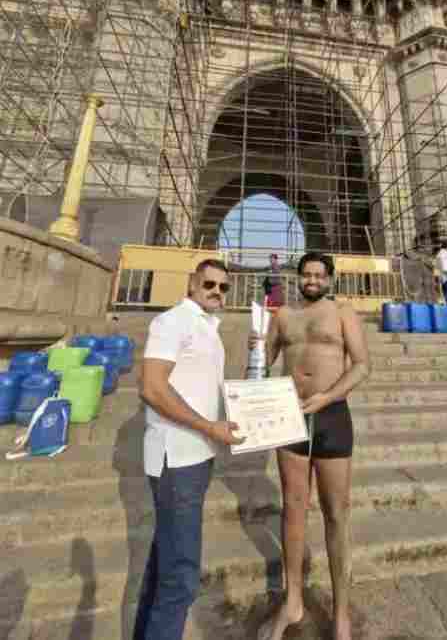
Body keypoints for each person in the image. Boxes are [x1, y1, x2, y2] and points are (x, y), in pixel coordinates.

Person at [256, 252, 371, 640]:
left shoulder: (342, 312)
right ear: (298, 277)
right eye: (306, 274)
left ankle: (340, 614)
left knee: (336, 512)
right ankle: (293, 602)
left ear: (330, 279)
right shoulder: (283, 317)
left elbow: (361, 364)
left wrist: (326, 397)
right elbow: (262, 363)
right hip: (289, 416)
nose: (312, 280)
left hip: (331, 414)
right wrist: (255, 350)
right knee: (293, 508)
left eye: (319, 275)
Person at [133, 258, 245, 640]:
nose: (216, 291)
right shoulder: (172, 321)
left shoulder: (206, 327)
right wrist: (207, 426)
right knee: (180, 577)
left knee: (164, 563)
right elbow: (152, 388)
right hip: (176, 458)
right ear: (192, 284)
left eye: (223, 287)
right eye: (209, 284)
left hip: (196, 456)